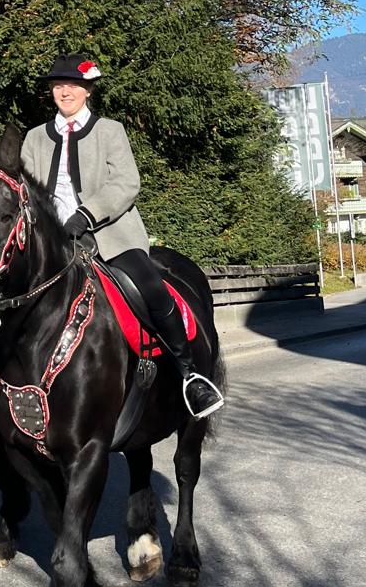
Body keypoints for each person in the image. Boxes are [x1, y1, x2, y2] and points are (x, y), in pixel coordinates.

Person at [20, 53, 224, 419]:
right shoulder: (35, 138)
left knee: (151, 287)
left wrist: (86, 215)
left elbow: (127, 182)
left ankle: (189, 374)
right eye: (58, 86)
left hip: (108, 234)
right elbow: (26, 189)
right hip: (51, 242)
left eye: (73, 85)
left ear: (87, 90)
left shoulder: (109, 130)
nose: (65, 92)